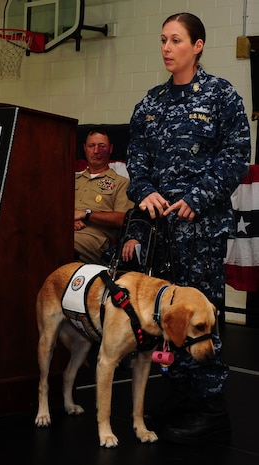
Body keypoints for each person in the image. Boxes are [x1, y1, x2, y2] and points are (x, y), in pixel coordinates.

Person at [126, 12, 251, 444]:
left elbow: (236, 156)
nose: (166, 47)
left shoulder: (220, 95)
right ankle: (182, 398)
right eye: (162, 39)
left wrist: (196, 199)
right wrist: (143, 190)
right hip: (161, 236)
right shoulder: (150, 103)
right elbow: (136, 156)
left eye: (175, 40)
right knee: (169, 319)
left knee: (201, 317)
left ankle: (211, 409)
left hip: (200, 232)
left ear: (197, 46)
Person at [74, 126, 134, 263]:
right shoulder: (72, 180)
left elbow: (124, 220)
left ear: (111, 149)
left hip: (93, 241)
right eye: (91, 146)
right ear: (84, 148)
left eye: (102, 146)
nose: (96, 151)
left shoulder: (121, 183)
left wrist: (87, 213)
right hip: (63, 232)